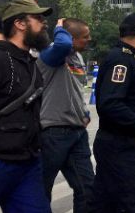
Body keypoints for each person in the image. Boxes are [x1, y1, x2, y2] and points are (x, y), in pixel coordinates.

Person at [0, 0, 54, 213]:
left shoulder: (29, 63)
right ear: (19, 23)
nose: (44, 23)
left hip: (27, 165)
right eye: (37, 18)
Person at [88, 14, 135, 213]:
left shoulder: (128, 59)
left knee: (103, 204)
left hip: (120, 142)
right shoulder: (121, 61)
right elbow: (110, 104)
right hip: (119, 148)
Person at [37, 18, 95, 212]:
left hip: (77, 133)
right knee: (41, 190)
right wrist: (60, 28)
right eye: (85, 37)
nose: (89, 39)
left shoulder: (77, 57)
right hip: (53, 133)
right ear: (71, 38)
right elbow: (62, 44)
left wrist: (85, 112)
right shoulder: (52, 54)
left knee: (87, 189)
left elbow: (76, 88)